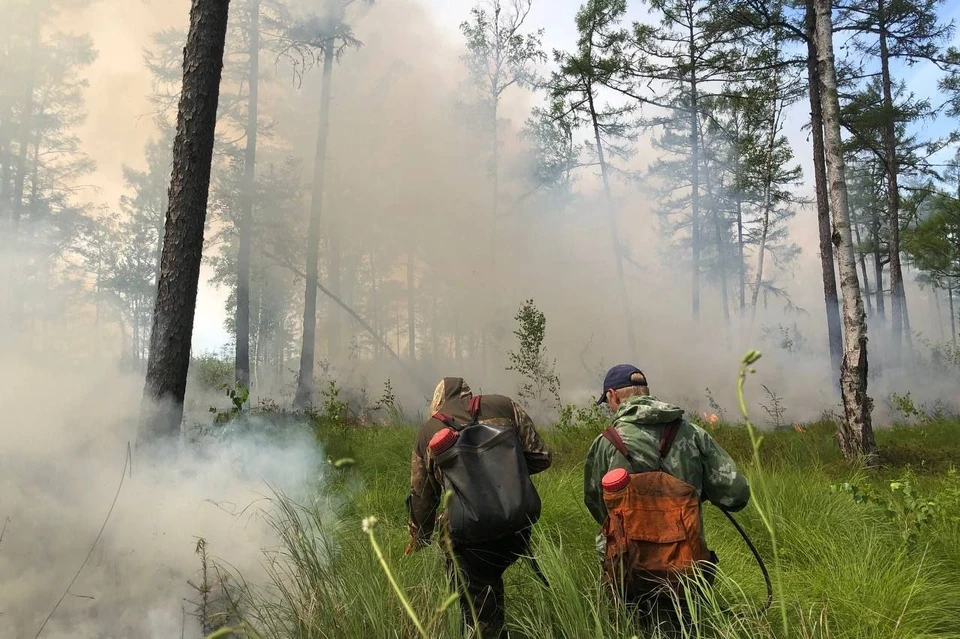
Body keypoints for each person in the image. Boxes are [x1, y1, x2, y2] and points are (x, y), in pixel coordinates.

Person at [583, 364, 750, 630]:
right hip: (686, 568)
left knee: (631, 629)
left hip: (627, 568)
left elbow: (595, 504)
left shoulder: (605, 442)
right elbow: (737, 495)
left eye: (608, 403)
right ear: (646, 392)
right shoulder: (693, 433)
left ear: (613, 395)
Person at [406, 377, 552, 639]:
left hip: (468, 537)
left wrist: (419, 538)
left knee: (475, 610)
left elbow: (423, 498)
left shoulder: (429, 431)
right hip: (518, 525)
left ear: (438, 402)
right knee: (491, 581)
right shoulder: (505, 406)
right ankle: (498, 626)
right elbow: (541, 457)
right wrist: (504, 476)